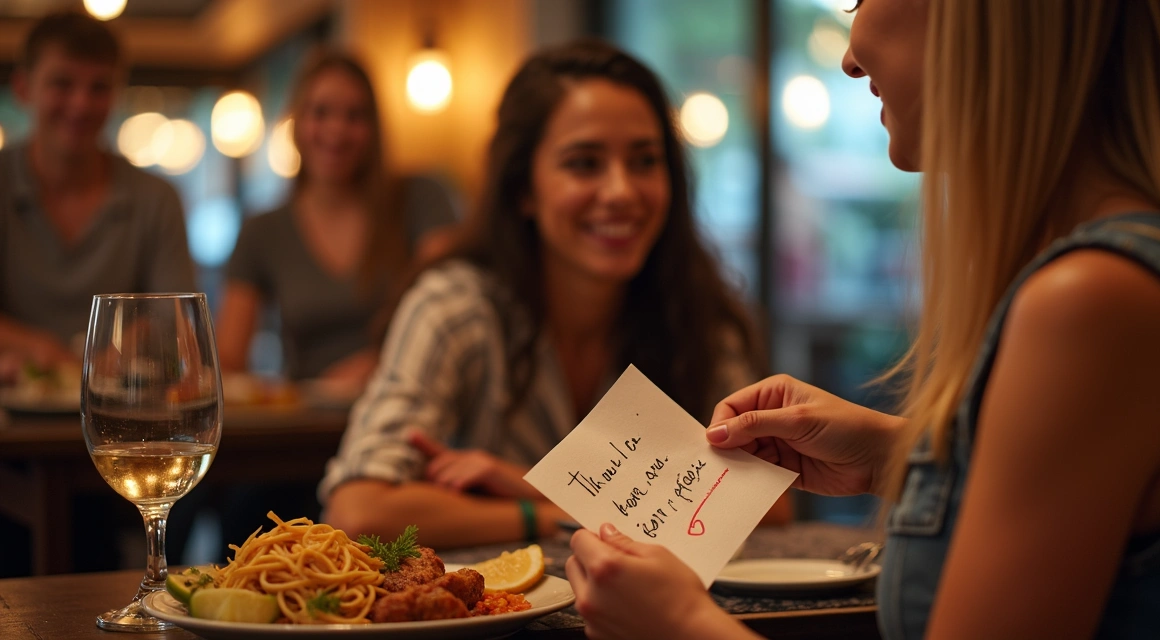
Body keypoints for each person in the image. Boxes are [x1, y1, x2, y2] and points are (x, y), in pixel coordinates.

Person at [566, 1, 1160, 639]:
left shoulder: (1090, 302)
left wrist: (678, 623)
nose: (848, 57)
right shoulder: (1135, 270)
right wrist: (897, 456)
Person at [321, 39, 789, 548]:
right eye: (584, 163)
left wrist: (529, 485)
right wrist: (546, 516)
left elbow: (769, 503)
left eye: (645, 161)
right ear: (524, 189)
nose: (621, 192)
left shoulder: (693, 311)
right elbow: (358, 509)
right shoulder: (454, 309)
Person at [216, 50, 459, 388]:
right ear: (297, 121)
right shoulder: (263, 230)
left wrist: (380, 364)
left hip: (411, 403)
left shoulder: (421, 197)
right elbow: (229, 362)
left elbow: (450, 310)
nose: (337, 130)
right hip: (307, 426)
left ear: (373, 127)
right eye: (321, 112)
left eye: (354, 115)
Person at [0, 11, 195, 379]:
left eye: (99, 88)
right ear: (23, 88)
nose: (80, 104)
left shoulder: (156, 198)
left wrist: (125, 345)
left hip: (122, 413)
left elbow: (177, 320)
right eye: (62, 84)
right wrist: (43, 351)